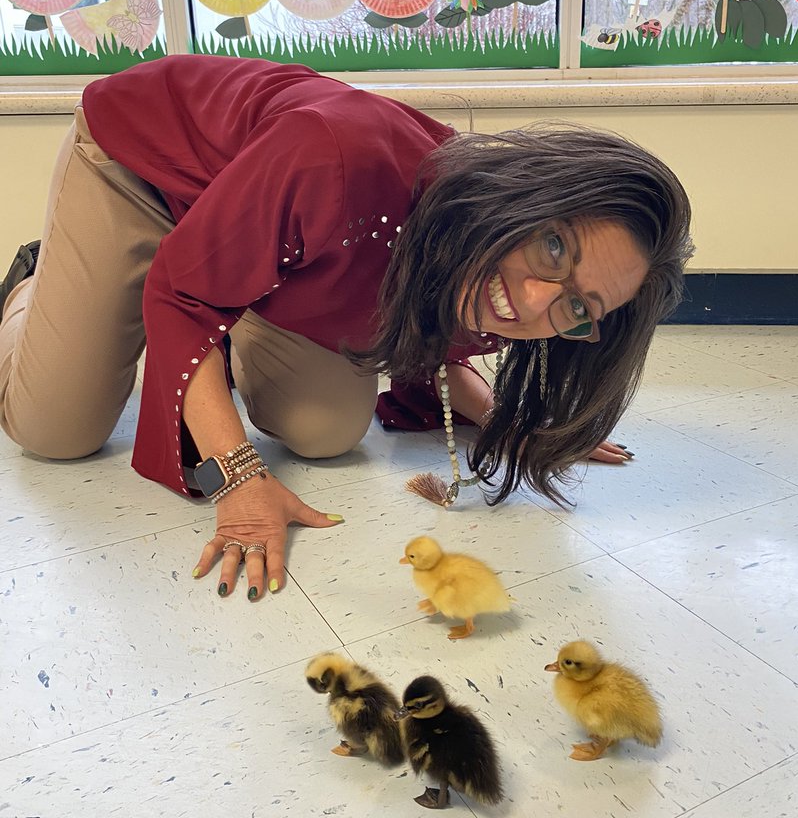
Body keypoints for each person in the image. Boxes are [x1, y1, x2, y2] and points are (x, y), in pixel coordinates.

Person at [0, 55, 692, 602]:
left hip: (262, 228)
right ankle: (36, 283)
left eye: (578, 308)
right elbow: (183, 298)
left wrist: (505, 417)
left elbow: (442, 321)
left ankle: (242, 275)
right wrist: (239, 480)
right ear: (521, 199)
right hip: (142, 165)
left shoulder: (506, 272)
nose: (538, 297)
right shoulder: (333, 154)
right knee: (55, 432)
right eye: (553, 248)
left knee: (325, 432)